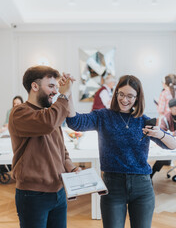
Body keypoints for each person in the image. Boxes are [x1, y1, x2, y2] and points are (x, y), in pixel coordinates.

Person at [61, 74, 176, 228]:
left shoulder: (143, 121)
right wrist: (67, 94)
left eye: (130, 96)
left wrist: (160, 133)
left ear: (137, 97)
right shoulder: (103, 116)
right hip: (112, 186)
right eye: (121, 94)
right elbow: (75, 122)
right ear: (116, 94)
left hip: (142, 187)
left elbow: (172, 145)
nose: (124, 99)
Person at [8, 65, 81, 228]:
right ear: (34, 86)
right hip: (32, 195)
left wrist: (71, 168)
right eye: (51, 86)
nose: (55, 91)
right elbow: (46, 123)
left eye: (56, 86)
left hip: (59, 193)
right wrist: (64, 93)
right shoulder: (19, 113)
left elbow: (61, 149)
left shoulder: (51, 114)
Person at [151, 98, 176, 179]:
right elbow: (162, 131)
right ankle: (151, 174)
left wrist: (172, 133)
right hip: (170, 143)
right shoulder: (166, 118)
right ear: (170, 108)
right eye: (175, 108)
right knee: (163, 158)